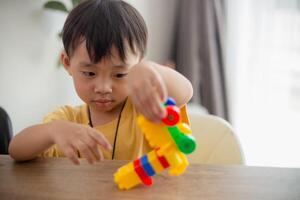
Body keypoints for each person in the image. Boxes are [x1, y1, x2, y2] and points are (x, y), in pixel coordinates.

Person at [9, 0, 193, 165]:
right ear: (67, 63)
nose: (103, 88)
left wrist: (149, 70)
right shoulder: (68, 120)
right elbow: (16, 150)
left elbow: (185, 91)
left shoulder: (145, 108)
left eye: (120, 74)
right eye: (89, 73)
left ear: (138, 63)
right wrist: (53, 131)